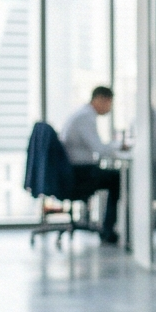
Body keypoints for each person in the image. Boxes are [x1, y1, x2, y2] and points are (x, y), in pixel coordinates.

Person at [58, 86, 127, 244]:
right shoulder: (86, 117)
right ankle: (108, 230)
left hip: (74, 170)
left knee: (110, 176)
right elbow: (100, 149)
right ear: (100, 99)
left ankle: (106, 227)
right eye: (109, 103)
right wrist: (119, 146)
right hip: (79, 173)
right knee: (117, 179)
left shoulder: (82, 114)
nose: (110, 108)